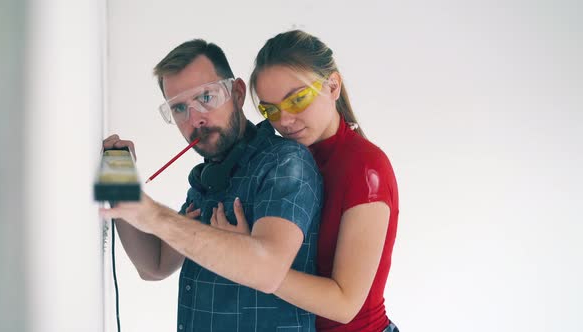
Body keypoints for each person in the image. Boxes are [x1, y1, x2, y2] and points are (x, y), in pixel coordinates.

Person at [100, 39, 324, 331]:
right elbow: (153, 265)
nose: (196, 119)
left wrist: (156, 216)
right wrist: (120, 183)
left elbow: (267, 271)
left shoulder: (285, 163)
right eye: (179, 108)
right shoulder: (210, 178)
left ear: (238, 93)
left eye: (206, 97)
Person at [209, 30, 400, 331]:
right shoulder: (284, 163)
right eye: (270, 109)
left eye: (297, 99)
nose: (283, 120)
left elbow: (344, 305)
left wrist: (252, 258)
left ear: (333, 86)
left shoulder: (366, 169)